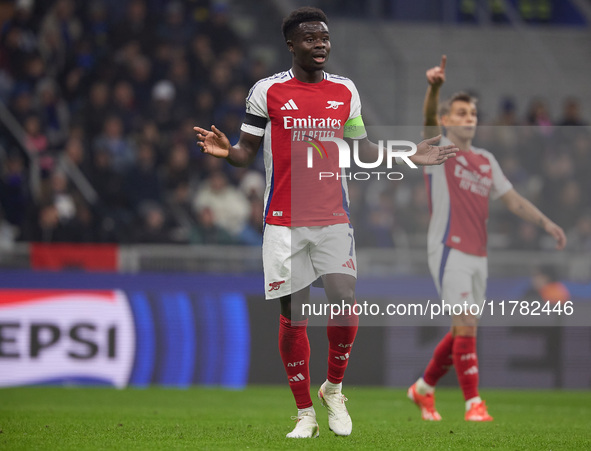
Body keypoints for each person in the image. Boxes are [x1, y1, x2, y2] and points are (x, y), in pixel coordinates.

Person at [194, 8, 456, 438]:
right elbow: (246, 152)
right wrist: (227, 152)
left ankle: (333, 388)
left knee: (343, 296)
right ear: (291, 45)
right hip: (283, 221)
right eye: (311, 38)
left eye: (325, 38)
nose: (321, 44)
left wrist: (411, 154)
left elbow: (364, 150)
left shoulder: (345, 91)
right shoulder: (268, 91)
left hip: (333, 215)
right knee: (294, 317)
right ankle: (305, 415)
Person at [407, 55, 567, 422]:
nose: (468, 118)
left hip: (479, 254)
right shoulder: (440, 150)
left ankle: (423, 388)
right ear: (448, 120)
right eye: (460, 112)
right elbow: (427, 120)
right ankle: (473, 404)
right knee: (466, 324)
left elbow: (513, 201)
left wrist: (547, 224)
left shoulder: (486, 160)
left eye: (473, 114)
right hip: (448, 248)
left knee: (464, 329)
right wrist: (434, 90)